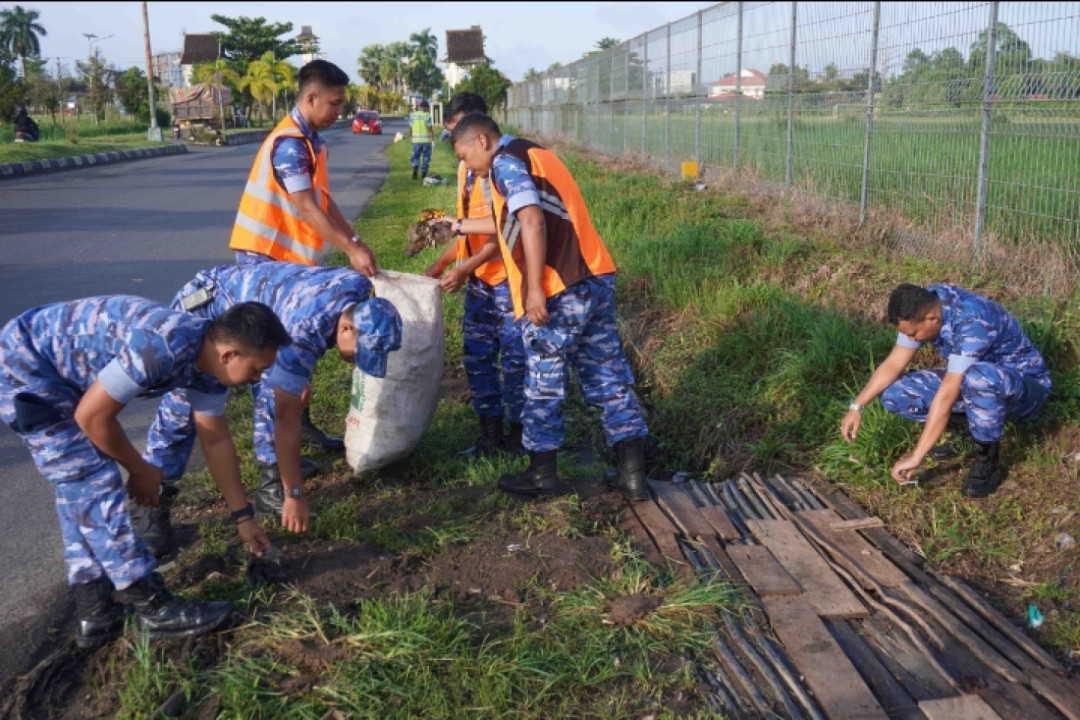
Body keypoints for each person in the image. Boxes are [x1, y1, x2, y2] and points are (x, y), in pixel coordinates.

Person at [0, 296, 291, 648]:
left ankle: (95, 612)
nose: (257, 379)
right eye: (257, 370)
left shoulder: (209, 368)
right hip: (24, 365)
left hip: (56, 374)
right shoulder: (163, 346)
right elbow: (92, 417)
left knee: (80, 486)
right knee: (92, 478)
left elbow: (215, 441)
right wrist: (139, 470)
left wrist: (243, 518)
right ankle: (154, 608)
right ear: (229, 354)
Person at [447, 113, 650, 501]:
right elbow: (511, 220)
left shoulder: (504, 163)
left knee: (543, 381)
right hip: (594, 277)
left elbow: (532, 221)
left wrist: (536, 288)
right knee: (608, 376)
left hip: (558, 288)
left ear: (482, 142)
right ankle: (633, 475)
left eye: (463, 154)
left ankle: (542, 475)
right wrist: (456, 226)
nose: (464, 164)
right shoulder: (537, 154)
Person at [140, 263, 402, 551]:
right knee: (182, 410)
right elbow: (284, 416)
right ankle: (154, 508)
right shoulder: (305, 329)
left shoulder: (362, 292)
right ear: (346, 327)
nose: (355, 361)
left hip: (261, 315)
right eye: (358, 352)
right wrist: (296, 493)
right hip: (210, 304)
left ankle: (271, 482)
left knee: (276, 385)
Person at [229, 58, 377, 450]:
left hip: (290, 263)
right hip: (265, 262)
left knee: (295, 349)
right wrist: (349, 248)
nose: (340, 110)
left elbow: (325, 203)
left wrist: (356, 242)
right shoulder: (290, 144)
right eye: (334, 103)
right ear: (311, 97)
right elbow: (306, 209)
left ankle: (299, 428)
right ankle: (273, 455)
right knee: (274, 358)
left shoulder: (312, 141)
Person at [841, 283, 1051, 497]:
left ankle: (988, 458)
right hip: (971, 378)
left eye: (913, 334)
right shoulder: (924, 305)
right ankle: (970, 432)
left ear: (932, 318)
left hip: (1023, 388)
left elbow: (947, 395)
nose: (912, 340)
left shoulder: (972, 318)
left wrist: (917, 456)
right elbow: (895, 363)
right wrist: (857, 406)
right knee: (895, 394)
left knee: (979, 379)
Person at [422, 93, 526, 458]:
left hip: (507, 281)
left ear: (480, 130)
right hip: (480, 282)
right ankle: (489, 436)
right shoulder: (468, 166)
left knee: (515, 362)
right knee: (478, 358)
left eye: (460, 134)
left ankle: (519, 438)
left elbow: (506, 229)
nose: (456, 146)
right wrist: (444, 262)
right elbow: (469, 228)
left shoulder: (502, 167)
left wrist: (463, 268)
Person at [407, 100, 434, 180]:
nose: (428, 110)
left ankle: (415, 168)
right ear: (425, 107)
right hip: (426, 141)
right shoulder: (427, 116)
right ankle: (424, 175)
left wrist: (411, 137)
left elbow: (410, 127)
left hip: (416, 141)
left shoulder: (413, 115)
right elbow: (430, 129)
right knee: (426, 158)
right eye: (428, 108)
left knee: (415, 156)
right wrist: (433, 140)